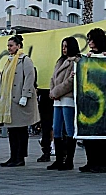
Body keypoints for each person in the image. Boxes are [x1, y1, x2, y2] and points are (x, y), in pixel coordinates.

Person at [0, 34, 40, 167]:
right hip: (10, 100)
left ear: (18, 46)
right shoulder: (9, 61)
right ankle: (13, 156)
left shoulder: (25, 60)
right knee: (12, 130)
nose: (9, 48)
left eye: (11, 45)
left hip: (20, 100)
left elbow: (29, 78)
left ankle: (20, 157)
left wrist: (25, 95)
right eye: (8, 46)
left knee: (20, 130)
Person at [79, 28, 106, 173]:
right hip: (88, 101)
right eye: (88, 39)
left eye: (92, 39)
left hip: (103, 101)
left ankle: (102, 162)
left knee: (101, 134)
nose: (89, 42)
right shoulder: (88, 57)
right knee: (88, 134)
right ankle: (91, 161)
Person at [47, 36, 80, 171]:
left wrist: (55, 92)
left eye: (66, 46)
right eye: (63, 46)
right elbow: (53, 78)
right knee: (56, 128)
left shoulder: (76, 61)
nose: (64, 49)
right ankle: (59, 159)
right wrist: (52, 91)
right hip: (57, 99)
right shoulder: (60, 61)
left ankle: (69, 160)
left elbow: (70, 82)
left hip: (67, 98)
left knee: (69, 129)